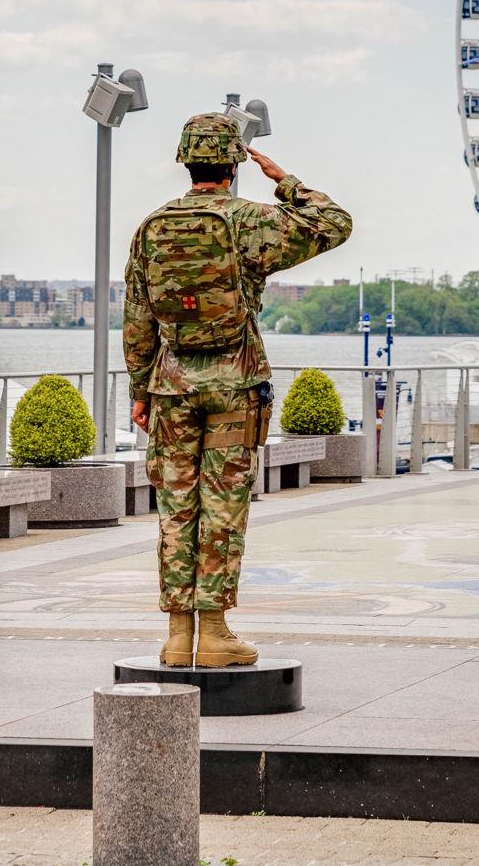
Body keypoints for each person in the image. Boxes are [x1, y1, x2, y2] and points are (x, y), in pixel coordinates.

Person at [126, 114, 351, 668]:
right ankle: (217, 632)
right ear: (233, 164)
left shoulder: (151, 227)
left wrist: (140, 388)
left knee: (176, 506)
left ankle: (178, 636)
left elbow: (136, 318)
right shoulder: (250, 222)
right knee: (223, 507)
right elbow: (335, 222)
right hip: (234, 383)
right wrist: (284, 179)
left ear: (186, 160)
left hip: (170, 388)